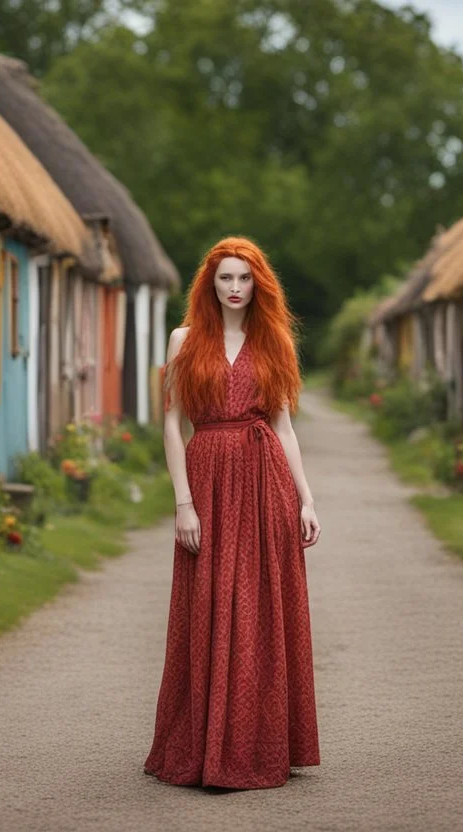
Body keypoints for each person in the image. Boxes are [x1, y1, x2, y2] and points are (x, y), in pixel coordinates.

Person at [143, 237, 322, 790]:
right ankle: (201, 745)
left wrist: (307, 498)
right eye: (226, 278)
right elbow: (172, 426)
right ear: (210, 283)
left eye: (245, 278)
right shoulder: (185, 340)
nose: (236, 288)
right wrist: (183, 503)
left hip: (265, 480)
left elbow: (285, 429)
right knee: (208, 606)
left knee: (261, 608)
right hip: (207, 479)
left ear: (258, 283)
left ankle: (257, 742)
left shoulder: (274, 343)